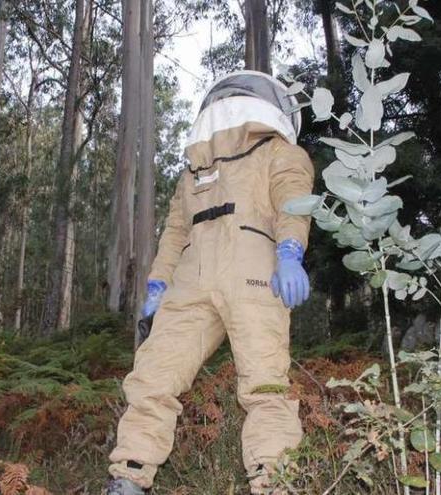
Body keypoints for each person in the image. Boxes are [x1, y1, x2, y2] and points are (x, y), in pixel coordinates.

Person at [105, 70, 315, 495]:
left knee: (265, 383)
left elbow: (293, 203)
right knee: (154, 376)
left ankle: (275, 480)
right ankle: (129, 476)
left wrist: (290, 252)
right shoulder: (194, 171)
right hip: (193, 279)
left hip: (253, 270)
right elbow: (175, 232)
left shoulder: (280, 153)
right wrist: (157, 286)